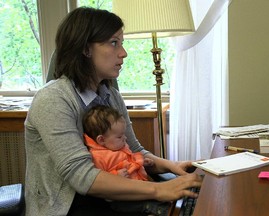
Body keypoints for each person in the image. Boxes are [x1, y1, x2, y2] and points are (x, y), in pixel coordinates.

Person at [24, 7, 202, 216]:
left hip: (106, 195)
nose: (123, 53)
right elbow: (82, 176)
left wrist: (172, 166)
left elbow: (132, 150)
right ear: (85, 49)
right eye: (113, 42)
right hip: (67, 206)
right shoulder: (53, 99)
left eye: (122, 43)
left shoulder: (110, 95)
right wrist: (159, 189)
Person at [83, 105, 171, 215]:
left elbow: (131, 157)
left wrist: (142, 161)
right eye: (120, 136)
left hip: (138, 188)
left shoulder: (119, 146)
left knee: (160, 197)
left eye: (124, 134)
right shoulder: (98, 157)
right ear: (101, 140)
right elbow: (98, 180)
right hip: (120, 199)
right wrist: (115, 176)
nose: (125, 138)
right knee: (146, 205)